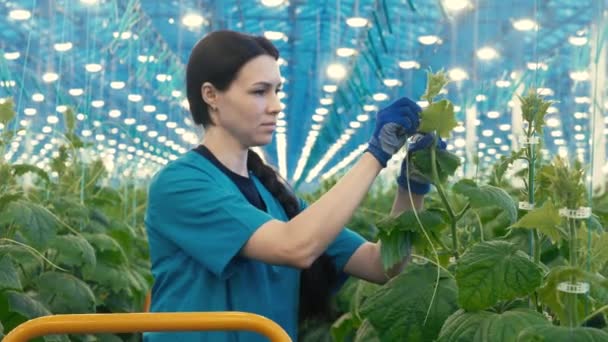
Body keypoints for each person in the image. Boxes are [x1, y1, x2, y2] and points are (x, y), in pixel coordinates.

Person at [143, 30, 442, 342]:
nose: (276, 106)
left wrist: (412, 188)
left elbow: (382, 265)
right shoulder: (180, 184)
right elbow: (294, 247)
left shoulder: (274, 196)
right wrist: (375, 156)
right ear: (211, 95)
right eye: (260, 92)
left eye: (277, 91)